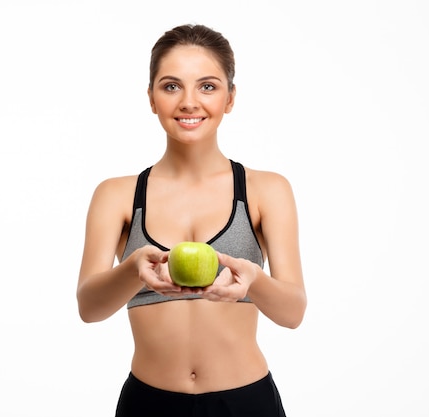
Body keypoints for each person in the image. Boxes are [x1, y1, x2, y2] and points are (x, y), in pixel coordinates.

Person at [76, 23, 306, 417]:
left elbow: (293, 312)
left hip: (245, 402)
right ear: (151, 97)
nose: (188, 102)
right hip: (149, 403)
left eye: (208, 86)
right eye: (170, 86)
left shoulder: (266, 190)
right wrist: (133, 270)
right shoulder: (116, 195)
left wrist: (255, 280)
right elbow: (89, 307)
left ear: (230, 98)